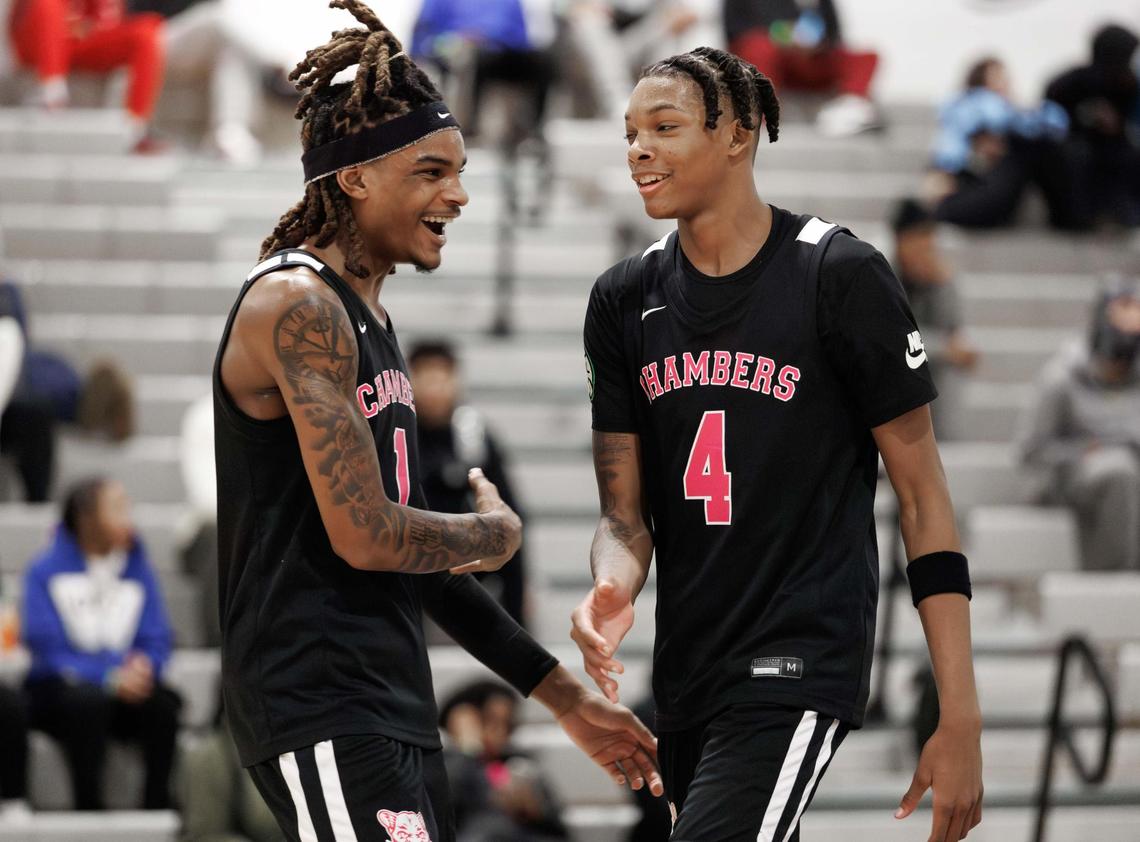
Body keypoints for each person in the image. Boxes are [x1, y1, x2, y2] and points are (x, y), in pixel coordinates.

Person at [213, 3, 661, 840]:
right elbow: (366, 535)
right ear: (354, 177)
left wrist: (562, 695)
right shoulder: (294, 305)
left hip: (387, 699)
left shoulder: (371, 322)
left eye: (459, 171)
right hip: (317, 699)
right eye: (430, 172)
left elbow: (412, 562)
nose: (457, 194)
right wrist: (489, 537)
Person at [573, 46, 984, 841]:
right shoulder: (622, 298)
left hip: (799, 660)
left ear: (740, 133)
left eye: (664, 127)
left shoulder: (840, 273)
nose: (638, 150)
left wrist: (959, 715)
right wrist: (611, 586)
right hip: (689, 671)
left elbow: (925, 500)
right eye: (629, 134)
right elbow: (623, 519)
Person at [22, 477, 182, 810]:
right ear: (87, 518)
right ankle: (88, 807)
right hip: (64, 692)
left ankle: (157, 806)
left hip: (123, 688)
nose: (128, 518)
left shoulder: (139, 568)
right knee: (87, 702)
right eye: (117, 509)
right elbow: (47, 650)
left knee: (164, 705)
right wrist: (108, 677)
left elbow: (157, 636)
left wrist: (145, 665)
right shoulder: (44, 571)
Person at [1017, 278, 1140, 571]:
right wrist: (1085, 449)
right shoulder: (1061, 379)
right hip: (1069, 477)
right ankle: (1113, 581)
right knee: (1118, 469)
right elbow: (1030, 452)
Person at [409, 341, 530, 627]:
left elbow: (510, 518)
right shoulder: (398, 433)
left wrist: (518, 615)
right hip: (411, 570)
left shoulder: (474, 437)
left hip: (469, 576)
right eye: (425, 376)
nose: (434, 387)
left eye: (442, 376)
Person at [927, 57, 1082, 231]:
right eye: (998, 77)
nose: (1005, 83)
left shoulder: (1008, 113)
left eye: (1005, 77)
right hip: (968, 190)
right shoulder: (978, 107)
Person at [7, 0, 167, 153]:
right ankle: (51, 92)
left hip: (80, 41)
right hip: (38, 41)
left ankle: (135, 130)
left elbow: (105, 21)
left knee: (147, 30)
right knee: (48, 4)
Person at [891, 198, 979, 440]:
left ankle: (942, 440)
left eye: (929, 246)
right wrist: (944, 348)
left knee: (953, 360)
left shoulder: (936, 272)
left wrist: (941, 286)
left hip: (919, 353)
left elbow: (955, 332)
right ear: (900, 240)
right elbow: (886, 336)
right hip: (882, 359)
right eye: (919, 246)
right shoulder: (875, 267)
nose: (925, 254)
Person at [724, 0, 880, 136]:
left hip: (807, 61)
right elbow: (736, 31)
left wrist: (814, 45)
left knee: (866, 58)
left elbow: (834, 36)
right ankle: (760, 114)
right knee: (759, 48)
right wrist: (784, 36)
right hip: (767, 60)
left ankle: (850, 109)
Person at [440, 680, 569, 841]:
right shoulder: (441, 768)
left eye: (506, 724)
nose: (499, 732)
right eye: (489, 721)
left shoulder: (523, 768)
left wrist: (536, 812)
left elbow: (559, 832)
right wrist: (469, 748)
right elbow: (438, 815)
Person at [1045, 24, 1140, 227]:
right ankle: (1081, 219)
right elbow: (1053, 111)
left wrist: (1114, 124)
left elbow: (1123, 123)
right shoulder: (1074, 81)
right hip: (1076, 145)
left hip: (1113, 146)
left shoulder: (1127, 83)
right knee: (1076, 156)